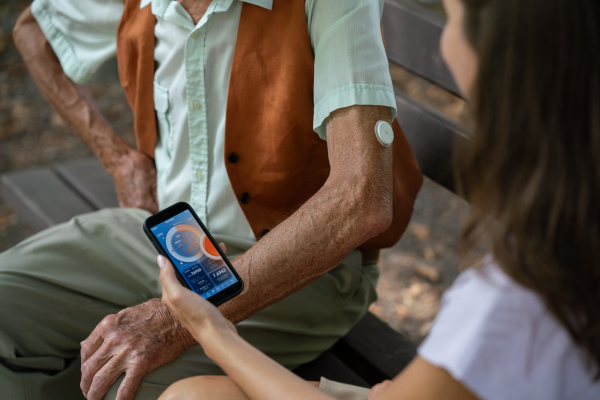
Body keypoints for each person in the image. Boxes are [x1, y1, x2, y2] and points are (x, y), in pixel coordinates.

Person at [154, 0, 600, 398]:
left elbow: (362, 199)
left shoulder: (514, 300)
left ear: (498, 58)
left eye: (453, 16)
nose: (446, 43)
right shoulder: (561, 257)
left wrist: (210, 328)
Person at [0, 0, 423, 399]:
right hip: (168, 237)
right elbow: (35, 32)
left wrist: (177, 323)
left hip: (301, 262)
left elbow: (361, 198)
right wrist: (119, 160)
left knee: (125, 387)